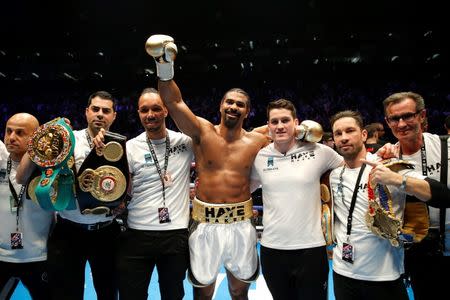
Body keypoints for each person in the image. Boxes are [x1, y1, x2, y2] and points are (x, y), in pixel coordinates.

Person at [146, 34, 268, 300]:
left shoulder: (259, 140)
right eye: (229, 102)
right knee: (203, 293)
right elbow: (174, 102)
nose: (233, 107)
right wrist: (164, 65)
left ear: (247, 111)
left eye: (240, 104)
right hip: (204, 224)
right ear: (221, 105)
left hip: (241, 224)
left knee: (239, 291)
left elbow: (290, 132)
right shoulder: (202, 131)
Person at [17, 91, 121, 300]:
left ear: (114, 116)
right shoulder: (66, 140)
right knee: (67, 294)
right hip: (68, 232)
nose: (100, 114)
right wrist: (42, 136)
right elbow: (21, 177)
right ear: (86, 112)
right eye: (95, 109)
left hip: (106, 232)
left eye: (106, 111)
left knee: (108, 292)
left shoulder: (121, 146)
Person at [329, 110, 435, 300]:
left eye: (350, 131)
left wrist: (398, 180)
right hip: (342, 273)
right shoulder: (334, 174)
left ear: (363, 134)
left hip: (384, 275)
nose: (343, 138)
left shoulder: (387, 165)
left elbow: (437, 193)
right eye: (338, 133)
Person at [250, 99, 343, 300]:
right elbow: (242, 189)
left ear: (296, 123)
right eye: (274, 122)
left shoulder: (319, 151)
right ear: (268, 126)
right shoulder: (259, 157)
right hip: (272, 250)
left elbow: (351, 167)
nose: (280, 126)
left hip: (311, 249)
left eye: (285, 120)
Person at [107, 88, 193, 299]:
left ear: (165, 111)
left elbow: (217, 138)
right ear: (138, 112)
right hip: (136, 235)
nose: (150, 114)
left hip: (175, 235)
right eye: (144, 110)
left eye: (156, 108)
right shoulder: (129, 148)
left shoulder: (185, 142)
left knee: (173, 295)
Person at [381, 92, 450, 300]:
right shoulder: (387, 158)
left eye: (408, 116)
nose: (401, 124)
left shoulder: (445, 146)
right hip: (417, 250)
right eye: (394, 118)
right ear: (387, 122)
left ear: (422, 116)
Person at [0, 113, 54, 300]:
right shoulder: (0, 157)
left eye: (20, 133)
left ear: (35, 137)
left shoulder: (49, 167)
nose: (12, 137)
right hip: (2, 256)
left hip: (38, 257)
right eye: (8, 131)